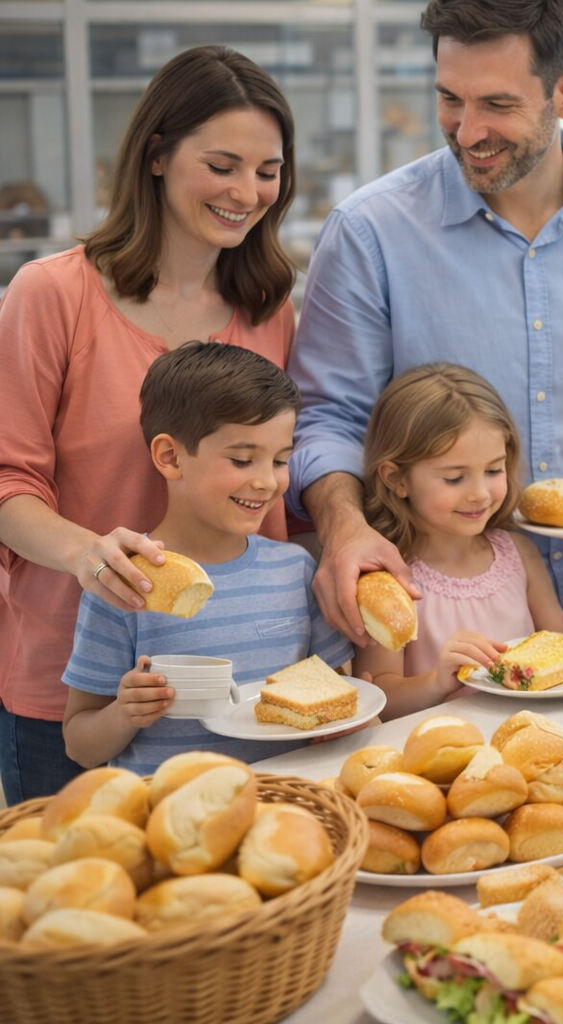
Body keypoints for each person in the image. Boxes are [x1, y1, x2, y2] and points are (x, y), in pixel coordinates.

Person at [286, 0, 563, 646]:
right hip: (439, 622)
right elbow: (329, 419)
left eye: (497, 105)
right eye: (451, 99)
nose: (467, 130)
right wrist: (342, 527)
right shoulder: (370, 232)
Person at [0, 45, 297, 802]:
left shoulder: (269, 309)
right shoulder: (51, 294)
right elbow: (10, 482)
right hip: (77, 692)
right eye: (223, 165)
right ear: (158, 155)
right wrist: (88, 556)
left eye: (268, 171)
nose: (248, 192)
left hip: (234, 683)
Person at [60, 345, 350, 775]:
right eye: (241, 459)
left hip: (289, 806)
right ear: (171, 457)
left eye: (281, 460)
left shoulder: (296, 568)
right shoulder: (124, 578)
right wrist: (124, 712)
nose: (266, 481)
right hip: (167, 815)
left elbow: (341, 697)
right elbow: (80, 745)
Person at [355, 364, 563, 718]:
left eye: (493, 471)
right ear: (396, 479)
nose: (479, 494)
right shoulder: (388, 581)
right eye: (454, 478)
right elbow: (379, 697)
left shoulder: (517, 552)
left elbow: (560, 639)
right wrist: (437, 681)